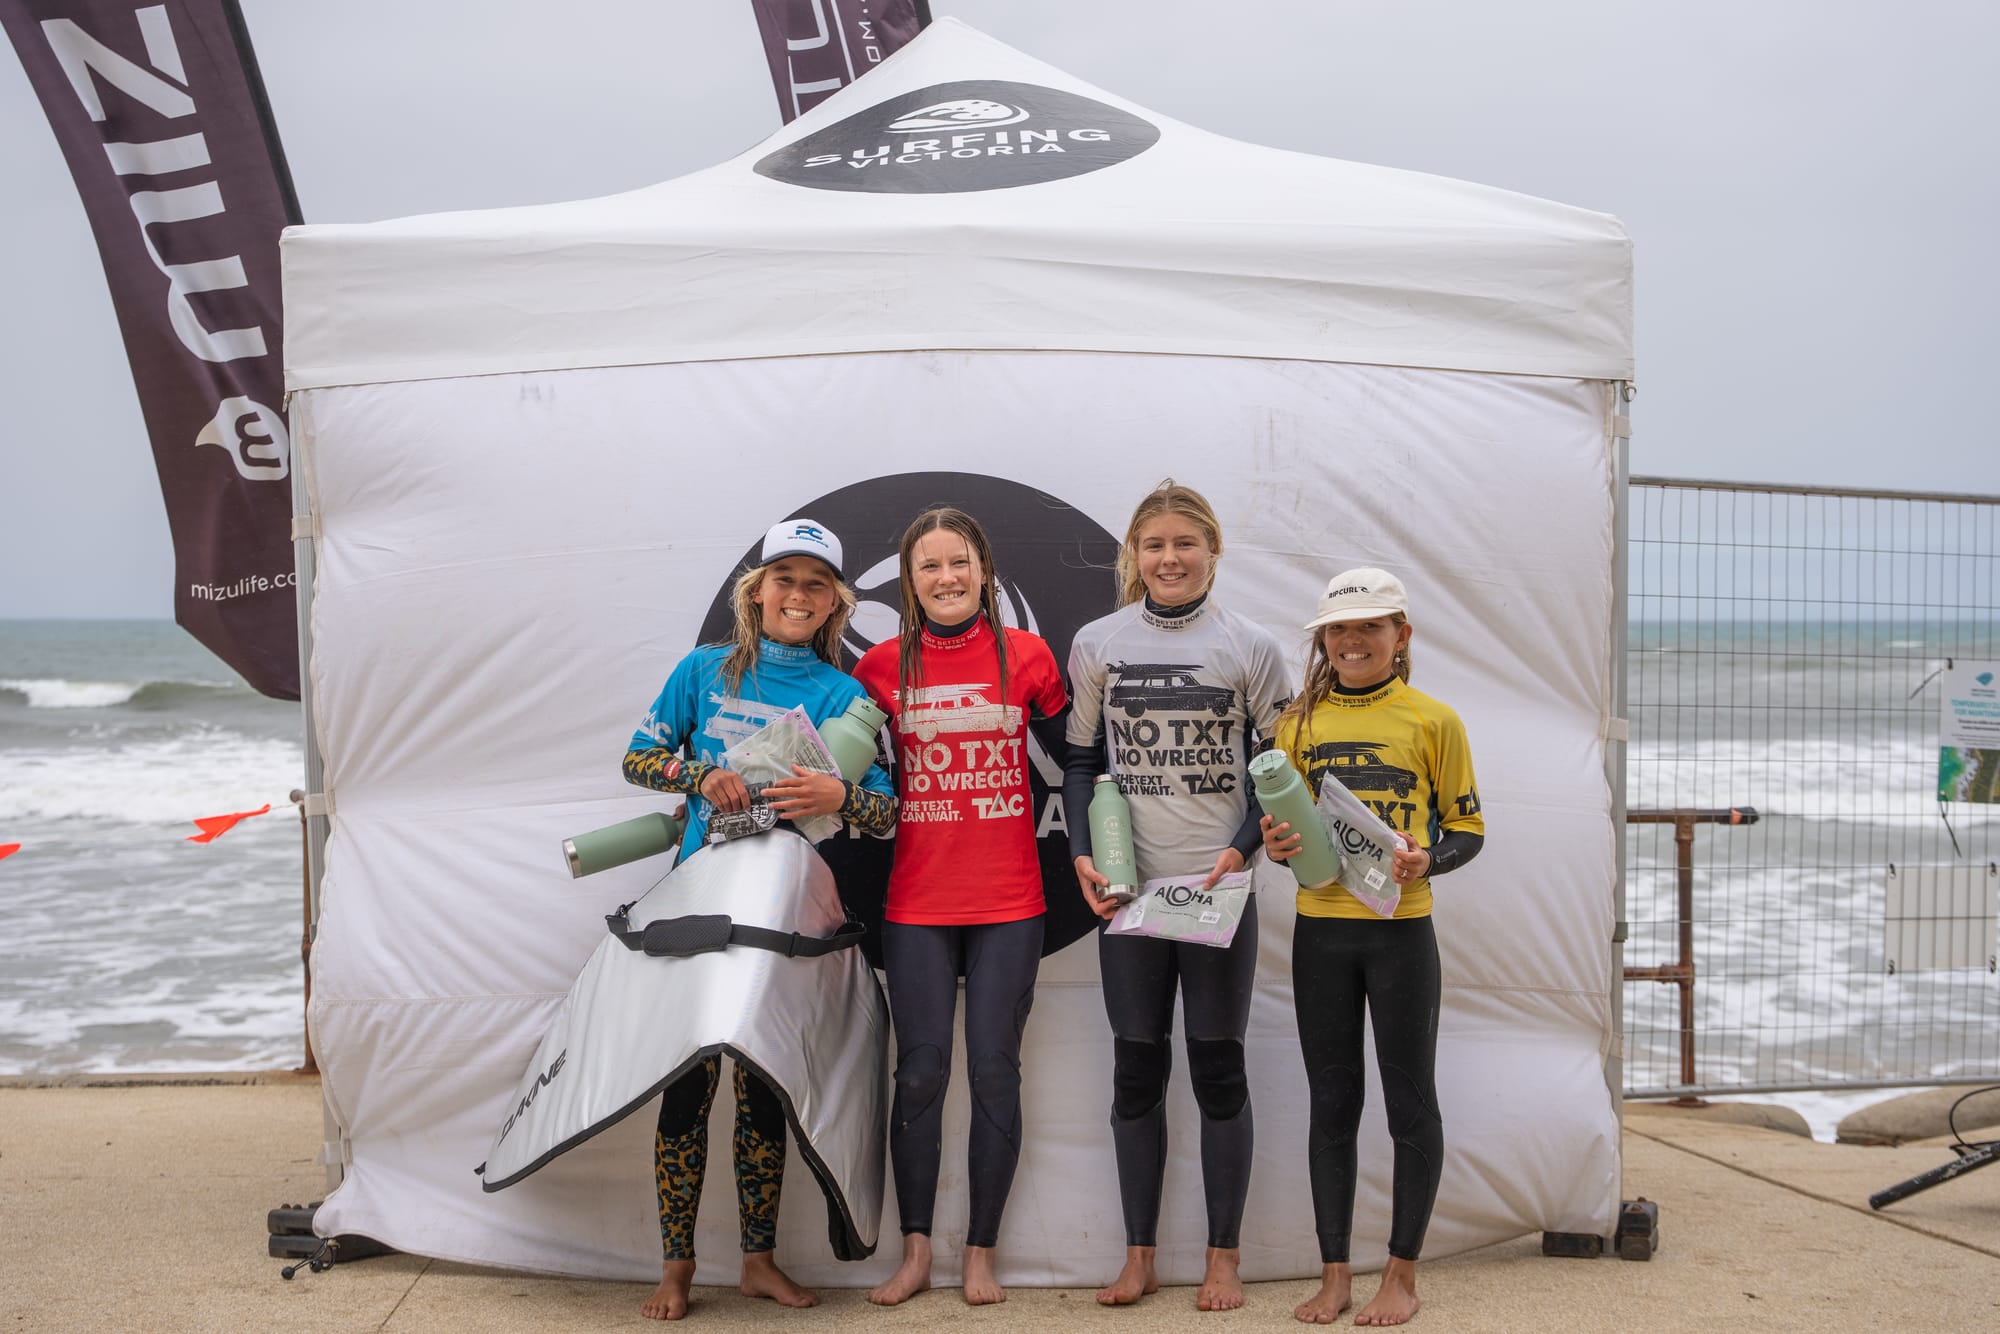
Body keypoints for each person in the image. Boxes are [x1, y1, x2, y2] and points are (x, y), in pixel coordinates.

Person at [620, 518, 896, 1322]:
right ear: (757, 591)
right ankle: (675, 1268)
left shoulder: (846, 698)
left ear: (836, 602)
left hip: (782, 912)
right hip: (697, 902)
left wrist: (842, 797)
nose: (798, 596)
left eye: (815, 584)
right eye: (785, 581)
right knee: (686, 1087)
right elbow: (638, 756)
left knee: (764, 1091)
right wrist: (700, 774)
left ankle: (757, 1262)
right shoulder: (703, 671)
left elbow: (886, 812)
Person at [1061, 480, 1292, 1310]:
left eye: (1184, 544)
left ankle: (1224, 1257)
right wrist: (1087, 857)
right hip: (1128, 895)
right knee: (1136, 1072)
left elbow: (1279, 774)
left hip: (1218, 893)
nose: (1169, 558)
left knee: (1220, 1070)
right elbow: (1081, 762)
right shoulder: (1097, 642)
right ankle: (1140, 1255)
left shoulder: (1253, 647)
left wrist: (1239, 853)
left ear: (1213, 550)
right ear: (1135, 556)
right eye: (1153, 545)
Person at [852, 508, 1070, 1307]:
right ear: (909, 582)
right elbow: (847, 774)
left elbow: (1082, 767)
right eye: (929, 567)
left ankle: (980, 1252)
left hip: (1011, 902)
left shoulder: (1032, 658)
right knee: (920, 1075)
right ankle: (914, 1254)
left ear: (986, 569)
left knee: (993, 1072)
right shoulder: (878, 668)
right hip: (915, 905)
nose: (946, 578)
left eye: (960, 562)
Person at [1259, 567, 1484, 1327]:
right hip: (1320, 932)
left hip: (1401, 936)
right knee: (1332, 1103)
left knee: (1410, 1103)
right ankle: (1334, 1274)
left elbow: (1468, 829)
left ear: (1401, 636)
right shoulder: (1296, 724)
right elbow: (1286, 845)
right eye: (1340, 629)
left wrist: (1431, 859)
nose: (1353, 641)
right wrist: (1278, 844)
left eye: (1371, 627)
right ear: (1323, 638)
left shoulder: (1434, 720)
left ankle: (1402, 1273)